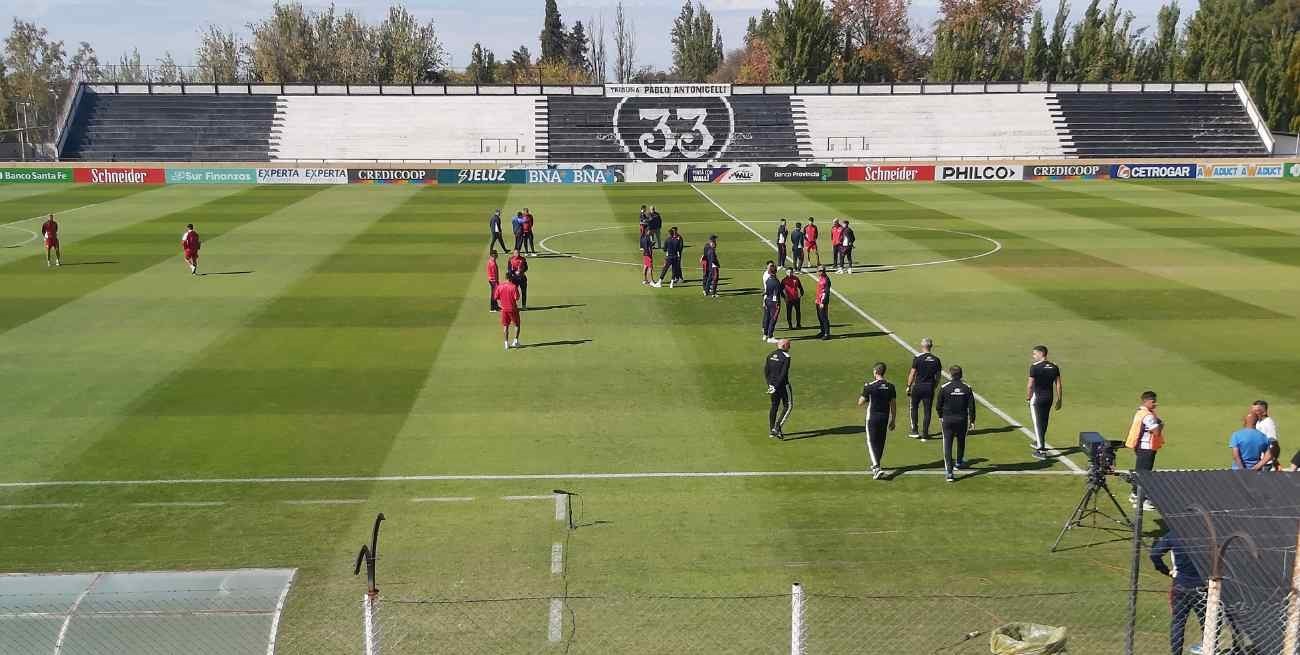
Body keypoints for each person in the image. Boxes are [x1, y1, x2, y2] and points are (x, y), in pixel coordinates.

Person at [1150, 530, 1206, 655]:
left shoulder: (1175, 534)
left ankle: (1176, 653)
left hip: (1180, 584)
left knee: (1178, 622)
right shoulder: (1206, 533)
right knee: (1207, 620)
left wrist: (1165, 570)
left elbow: (1155, 554)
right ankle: (1208, 648)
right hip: (1202, 586)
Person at [857, 362, 897, 480]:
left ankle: (876, 467)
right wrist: (893, 420)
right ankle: (877, 465)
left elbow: (860, 402)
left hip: (872, 418)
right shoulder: (891, 386)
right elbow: (893, 405)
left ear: (875, 372)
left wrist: (864, 392)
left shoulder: (869, 386)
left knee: (871, 442)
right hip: (884, 418)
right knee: (880, 442)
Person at [936, 365, 976, 482]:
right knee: (961, 440)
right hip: (962, 420)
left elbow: (938, 405)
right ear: (961, 374)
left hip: (948, 420)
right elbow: (971, 406)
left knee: (947, 444)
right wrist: (972, 420)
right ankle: (959, 462)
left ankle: (949, 472)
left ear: (950, 374)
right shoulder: (967, 388)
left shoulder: (944, 388)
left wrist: (940, 416)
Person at [1125, 390, 1163, 510]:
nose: (1155, 403)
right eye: (1153, 401)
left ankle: (1135, 494)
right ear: (1146, 401)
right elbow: (1156, 431)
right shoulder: (1148, 416)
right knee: (1144, 474)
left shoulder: (1140, 412)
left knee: (1140, 472)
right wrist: (1161, 424)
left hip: (1140, 446)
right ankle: (1141, 501)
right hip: (1147, 447)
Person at [1027, 345, 1063, 459]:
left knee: (1037, 422)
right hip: (1049, 398)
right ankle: (1039, 440)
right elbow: (1058, 384)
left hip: (1037, 399)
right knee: (1044, 421)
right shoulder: (1054, 367)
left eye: (1035, 354)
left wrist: (1028, 398)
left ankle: (1041, 450)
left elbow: (1030, 385)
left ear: (1041, 354)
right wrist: (1059, 399)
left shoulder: (1034, 367)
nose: (1033, 356)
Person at [906, 339, 942, 440]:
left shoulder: (918, 358)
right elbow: (938, 376)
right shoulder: (936, 359)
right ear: (931, 346)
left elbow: (912, 373)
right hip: (929, 387)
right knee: (927, 410)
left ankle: (915, 431)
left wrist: (909, 386)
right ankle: (925, 434)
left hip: (918, 387)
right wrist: (934, 386)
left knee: (914, 407)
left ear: (922, 346)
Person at [764, 339, 793, 440]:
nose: (789, 347)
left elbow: (766, 371)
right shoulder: (786, 357)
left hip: (772, 386)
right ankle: (777, 427)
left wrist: (770, 385)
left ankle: (772, 431)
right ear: (784, 346)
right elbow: (783, 374)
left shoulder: (770, 355)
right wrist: (776, 386)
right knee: (788, 405)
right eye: (789, 345)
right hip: (782, 385)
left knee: (774, 406)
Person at [493, 275, 522, 349]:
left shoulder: (500, 286)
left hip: (504, 309)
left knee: (505, 326)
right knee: (517, 325)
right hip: (513, 309)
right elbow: (517, 298)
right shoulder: (513, 287)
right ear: (511, 278)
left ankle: (506, 343)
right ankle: (515, 341)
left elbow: (496, 297)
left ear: (505, 278)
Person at [1252, 400, 1280, 471]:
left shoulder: (1268, 423)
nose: (1253, 413)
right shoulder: (1258, 422)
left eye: (1256, 411)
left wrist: (1274, 459)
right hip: (1258, 459)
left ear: (1264, 412)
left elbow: (1273, 443)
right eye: (1253, 410)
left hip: (1265, 463)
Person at [762, 263, 781, 343]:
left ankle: (765, 334)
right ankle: (770, 336)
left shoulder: (768, 280)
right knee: (773, 319)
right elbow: (776, 294)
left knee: (767, 318)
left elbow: (766, 292)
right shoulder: (776, 282)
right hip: (773, 302)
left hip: (767, 300)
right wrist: (777, 303)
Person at [814, 266, 831, 340]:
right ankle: (822, 331)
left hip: (822, 302)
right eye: (818, 271)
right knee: (820, 317)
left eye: (820, 271)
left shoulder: (826, 279)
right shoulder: (821, 278)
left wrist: (822, 302)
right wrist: (817, 299)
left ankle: (827, 333)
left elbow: (826, 292)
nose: (818, 272)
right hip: (818, 301)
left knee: (824, 318)